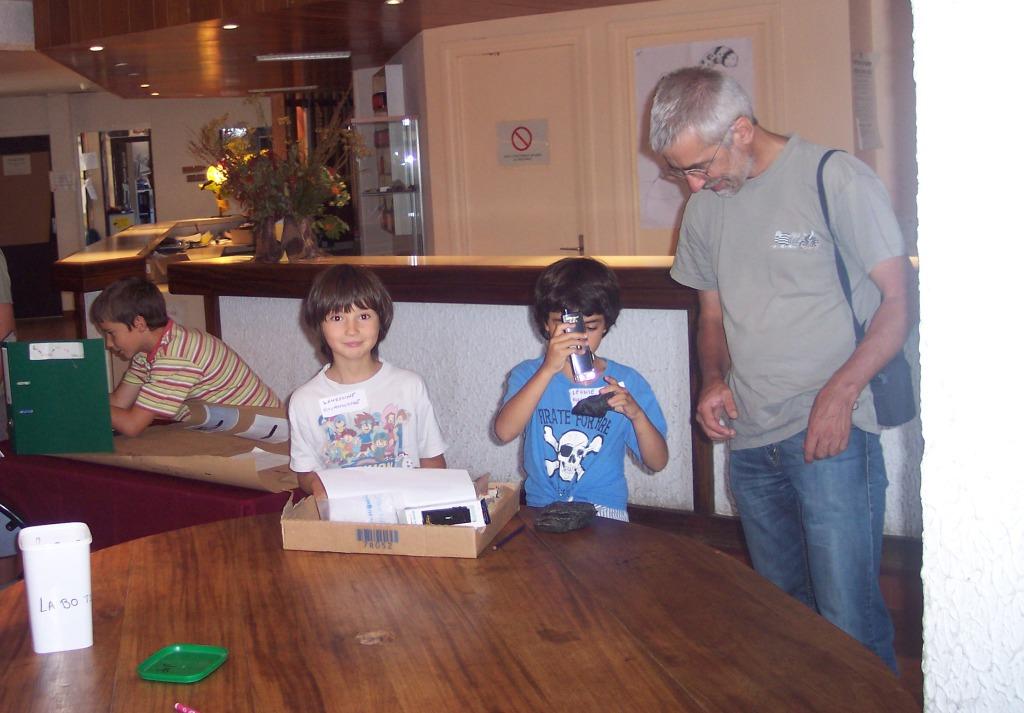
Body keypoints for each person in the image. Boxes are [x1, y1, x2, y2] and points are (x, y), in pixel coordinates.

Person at [649, 66, 913, 671]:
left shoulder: (834, 178)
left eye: (699, 167)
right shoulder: (705, 208)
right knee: (782, 620)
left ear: (741, 130)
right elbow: (710, 316)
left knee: (848, 620)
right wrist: (713, 380)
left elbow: (899, 302)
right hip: (752, 441)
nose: (693, 186)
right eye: (678, 171)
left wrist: (841, 393)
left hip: (832, 436)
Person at [494, 257, 668, 521]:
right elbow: (504, 432)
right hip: (541, 505)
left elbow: (657, 461)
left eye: (590, 327)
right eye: (564, 326)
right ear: (546, 324)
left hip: (603, 508)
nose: (578, 337)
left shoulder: (627, 381)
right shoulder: (528, 374)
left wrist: (637, 415)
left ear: (606, 325)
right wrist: (547, 370)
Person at [288, 264, 447, 495]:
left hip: (406, 510)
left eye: (363, 316)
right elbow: (305, 472)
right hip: (344, 513)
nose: (352, 330)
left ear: (381, 320)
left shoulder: (409, 386)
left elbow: (433, 460)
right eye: (337, 317)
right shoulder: (304, 401)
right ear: (318, 325)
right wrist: (320, 487)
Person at [90, 276, 280, 437]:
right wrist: (80, 399)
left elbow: (133, 425)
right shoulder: (146, 353)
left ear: (139, 323)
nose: (108, 343)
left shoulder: (176, 356)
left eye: (111, 333)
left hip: (264, 431)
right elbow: (119, 402)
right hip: (228, 427)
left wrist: (85, 406)